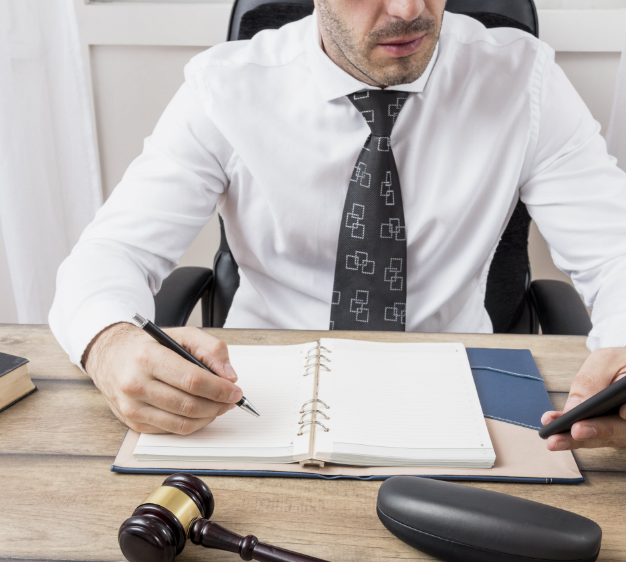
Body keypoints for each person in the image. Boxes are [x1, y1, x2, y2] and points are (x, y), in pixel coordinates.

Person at [50, 0, 626, 451]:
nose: (407, 10)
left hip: (459, 395)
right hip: (259, 402)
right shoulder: (224, 88)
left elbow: (614, 251)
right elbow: (111, 252)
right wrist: (110, 343)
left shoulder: (523, 79)